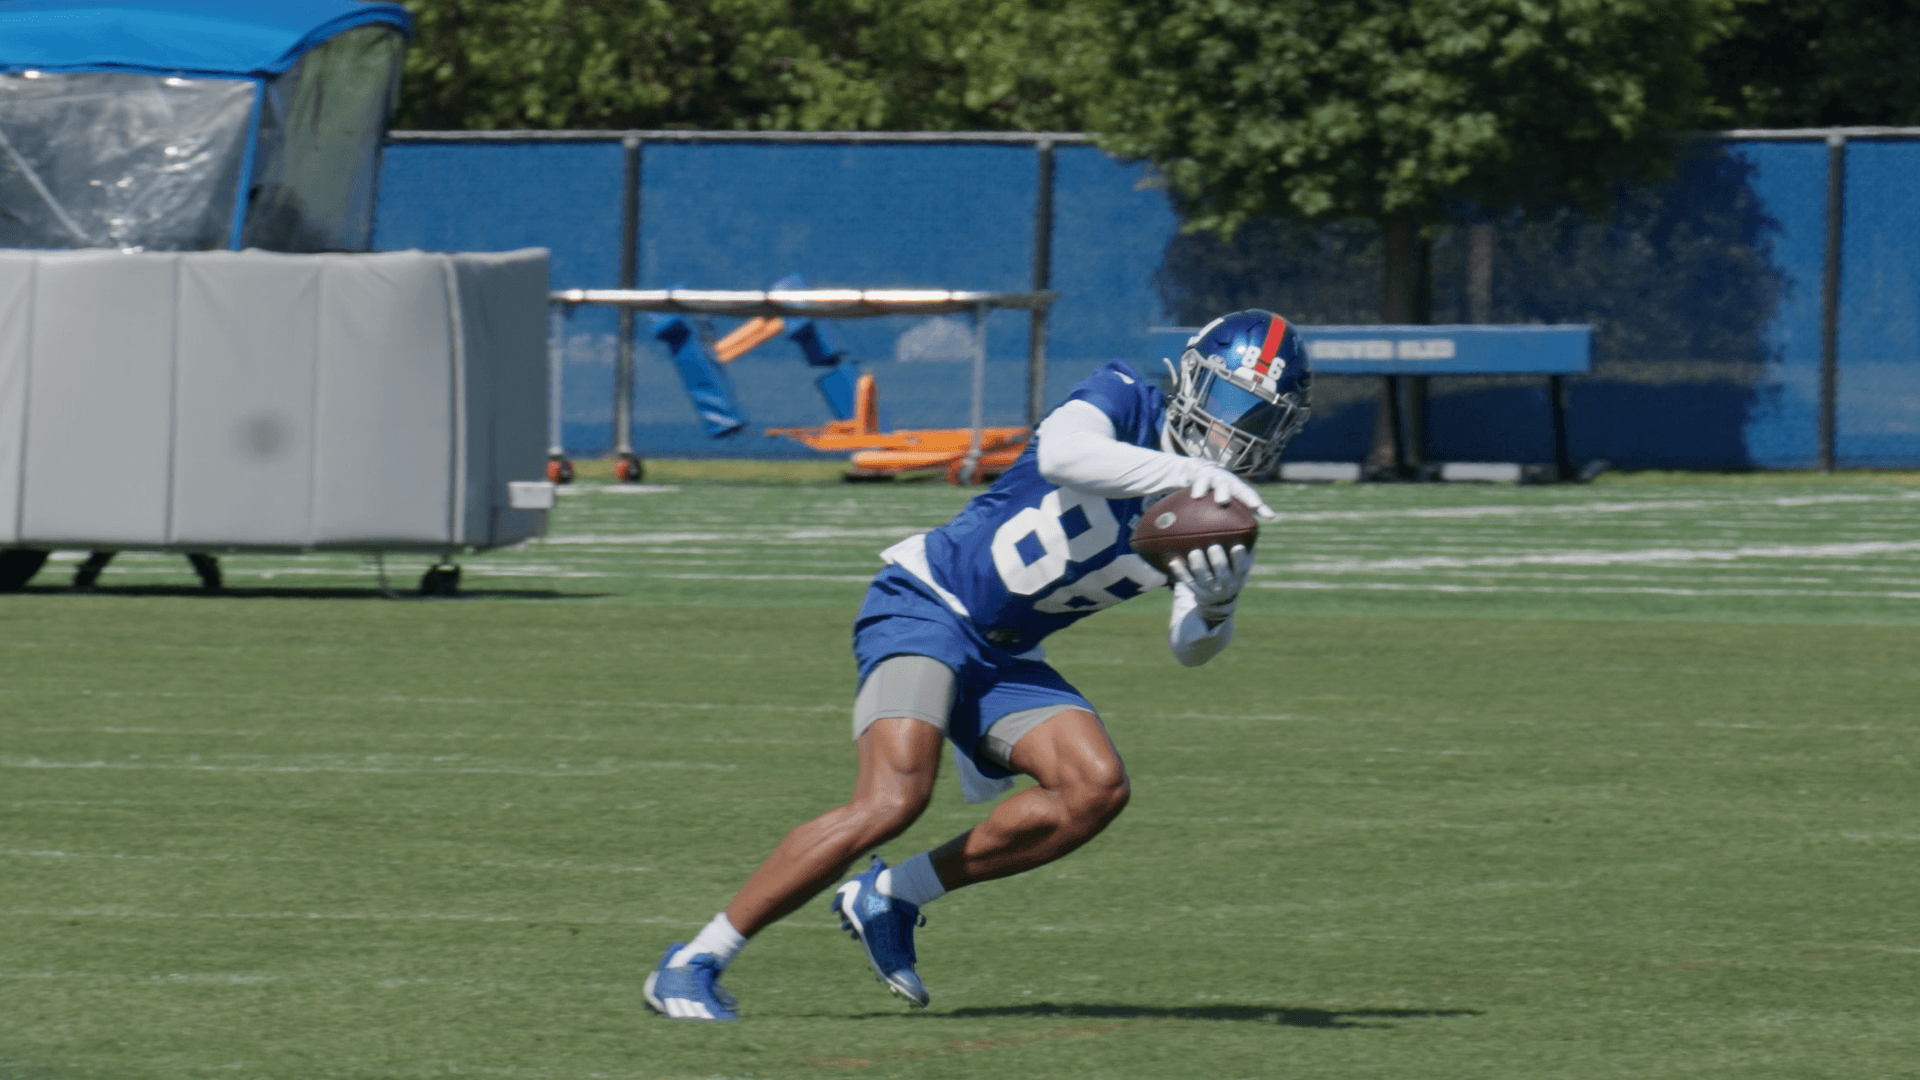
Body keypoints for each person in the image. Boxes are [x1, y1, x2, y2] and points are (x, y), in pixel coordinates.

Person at [644, 310, 1312, 1021]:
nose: (1234, 432)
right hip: (929, 603)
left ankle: (893, 895)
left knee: (1094, 788)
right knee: (892, 798)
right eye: (1230, 403)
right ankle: (693, 961)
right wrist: (1181, 473)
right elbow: (1064, 455)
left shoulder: (1221, 511)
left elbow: (1191, 647)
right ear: (1189, 381)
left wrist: (1214, 606)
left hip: (1008, 650)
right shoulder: (1124, 394)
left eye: (1261, 420)